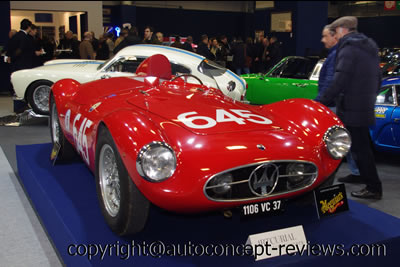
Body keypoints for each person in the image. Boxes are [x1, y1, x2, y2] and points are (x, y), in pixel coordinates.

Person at [319, 16, 382, 199]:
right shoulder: (369, 46)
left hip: (352, 107)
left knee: (351, 148)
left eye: (335, 31)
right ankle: (366, 180)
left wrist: (321, 101)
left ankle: (373, 187)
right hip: (364, 105)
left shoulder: (348, 48)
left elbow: (340, 79)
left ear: (341, 30)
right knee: (358, 148)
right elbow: (378, 77)